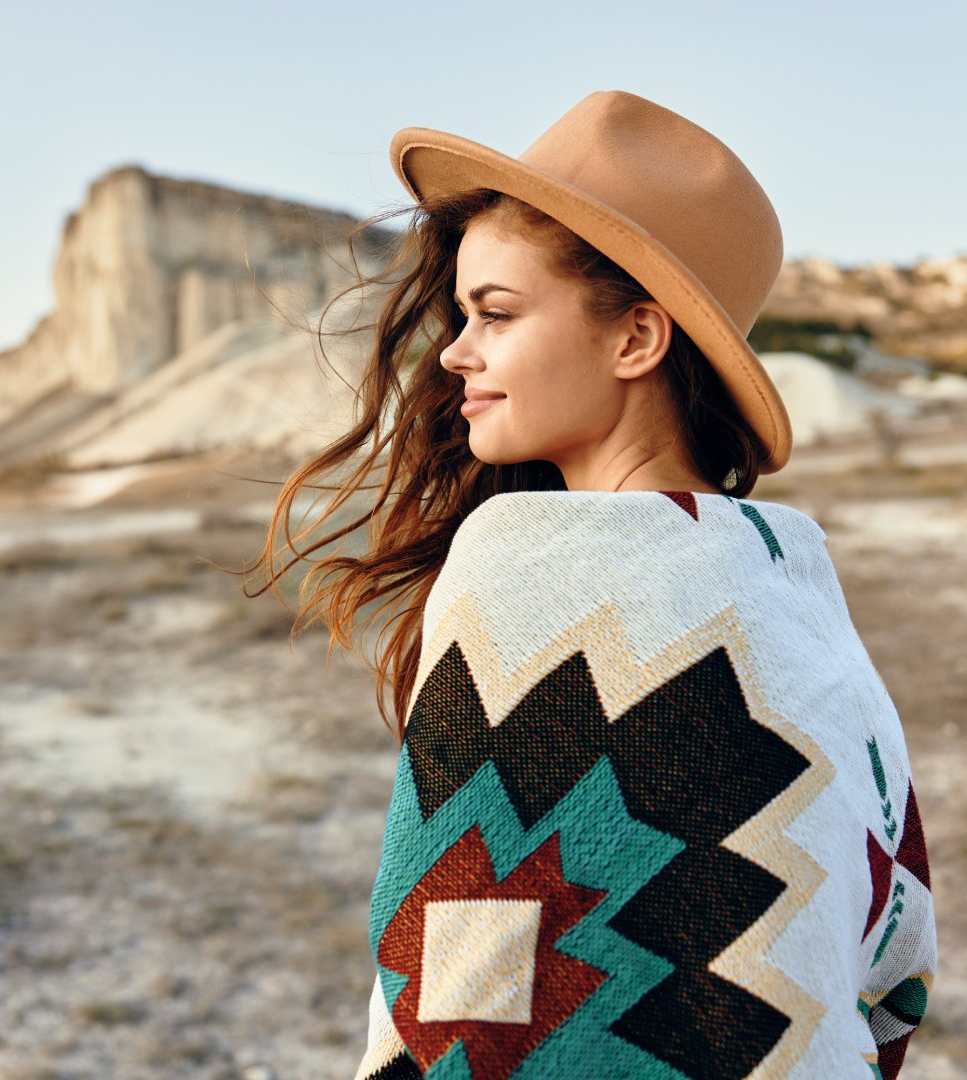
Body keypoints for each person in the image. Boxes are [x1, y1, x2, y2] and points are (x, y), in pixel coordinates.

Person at [247, 91, 937, 1079]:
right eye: (460, 314)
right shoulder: (796, 597)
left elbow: (457, 1000)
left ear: (636, 341)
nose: (454, 352)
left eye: (496, 313)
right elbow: (890, 963)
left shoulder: (523, 576)